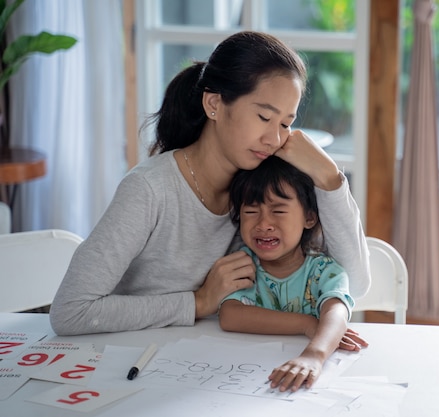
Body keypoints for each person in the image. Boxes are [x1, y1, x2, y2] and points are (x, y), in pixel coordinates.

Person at [49, 30, 370, 336]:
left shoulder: (257, 193)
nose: (274, 138)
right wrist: (198, 302)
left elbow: (352, 284)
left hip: (208, 363)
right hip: (126, 362)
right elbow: (70, 311)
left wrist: (330, 179)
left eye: (286, 123)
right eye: (263, 117)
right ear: (214, 104)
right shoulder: (149, 190)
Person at [219, 155, 368, 392]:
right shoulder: (243, 264)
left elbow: (337, 311)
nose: (264, 224)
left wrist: (315, 355)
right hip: (249, 380)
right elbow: (230, 316)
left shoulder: (324, 271)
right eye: (250, 211)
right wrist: (307, 324)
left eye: (278, 211)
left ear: (309, 218)